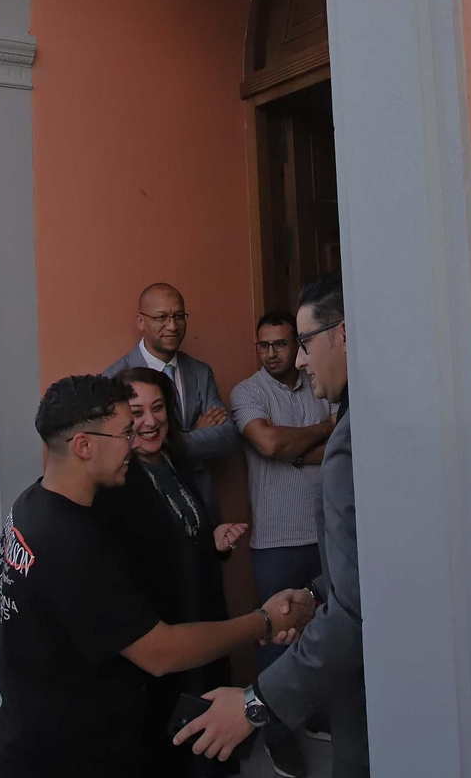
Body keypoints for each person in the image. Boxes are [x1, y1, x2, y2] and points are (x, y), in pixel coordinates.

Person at [0, 374, 315, 778]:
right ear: (84, 446)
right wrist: (262, 621)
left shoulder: (33, 504)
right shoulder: (69, 540)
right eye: (124, 432)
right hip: (61, 759)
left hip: (39, 742)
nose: (134, 441)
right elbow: (160, 653)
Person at [176, 274, 370, 777]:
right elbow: (271, 446)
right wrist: (313, 593)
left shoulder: (356, 430)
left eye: (303, 344)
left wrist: (253, 705)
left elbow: (356, 609)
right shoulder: (256, 394)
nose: (301, 360)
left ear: (344, 334)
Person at [95, 367, 248, 776]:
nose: (150, 420)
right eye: (137, 411)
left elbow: (180, 532)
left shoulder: (173, 459)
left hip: (202, 632)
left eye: (158, 407)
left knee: (211, 746)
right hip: (161, 647)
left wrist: (210, 542)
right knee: (173, 754)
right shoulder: (118, 481)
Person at [228, 311, 335, 777]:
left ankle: (313, 715)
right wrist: (325, 431)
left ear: (298, 345)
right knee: (275, 637)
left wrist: (300, 450)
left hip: (326, 534)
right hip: (275, 540)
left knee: (327, 632)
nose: (272, 353)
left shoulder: (318, 381)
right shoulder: (248, 392)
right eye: (264, 345)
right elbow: (269, 444)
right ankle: (274, 731)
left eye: (282, 344)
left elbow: (334, 448)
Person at [105, 282, 241, 510]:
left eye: (179, 316)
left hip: (201, 506)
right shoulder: (115, 377)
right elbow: (116, 446)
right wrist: (195, 435)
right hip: (145, 505)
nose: (172, 326)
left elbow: (226, 437)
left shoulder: (200, 373)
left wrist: (153, 441)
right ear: (141, 321)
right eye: (161, 317)